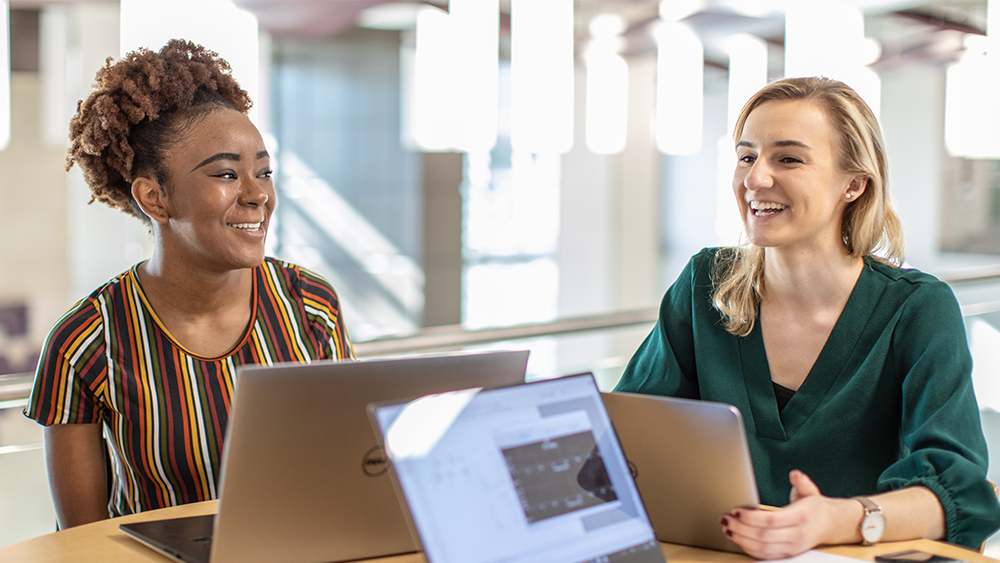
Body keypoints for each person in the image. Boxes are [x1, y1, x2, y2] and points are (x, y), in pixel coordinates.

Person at [614, 77, 1000, 559]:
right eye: (747, 156)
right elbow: (625, 438)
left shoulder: (917, 309)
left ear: (854, 184)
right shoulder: (704, 284)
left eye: (788, 158)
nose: (755, 179)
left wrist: (840, 518)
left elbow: (956, 490)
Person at [24, 40, 353, 530]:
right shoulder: (84, 342)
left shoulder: (311, 306)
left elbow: (353, 474)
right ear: (154, 198)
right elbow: (81, 545)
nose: (258, 194)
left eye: (264, 172)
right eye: (226, 173)